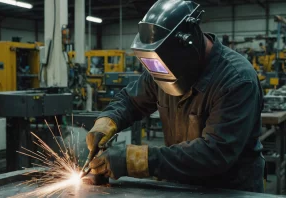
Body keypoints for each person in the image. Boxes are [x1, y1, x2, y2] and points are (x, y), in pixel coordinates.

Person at [85, 0, 265, 193]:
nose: (163, 75)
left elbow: (214, 154)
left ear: (188, 45)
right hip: (182, 185)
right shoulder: (163, 67)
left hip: (229, 190)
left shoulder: (236, 80)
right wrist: (107, 120)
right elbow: (130, 101)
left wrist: (136, 160)